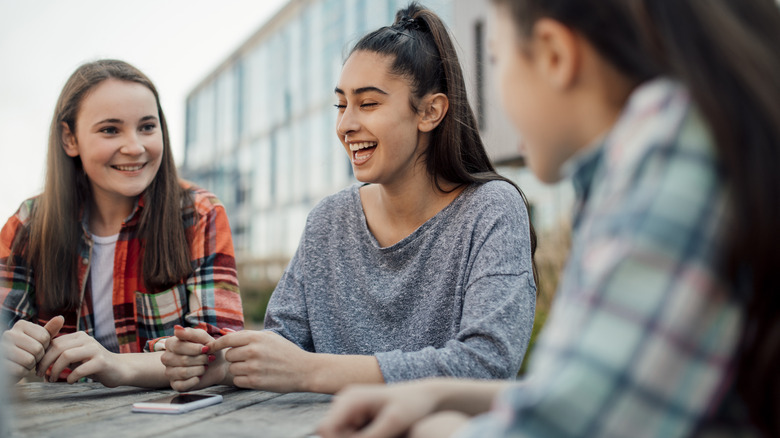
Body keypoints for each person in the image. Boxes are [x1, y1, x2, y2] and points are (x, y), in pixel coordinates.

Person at [316, 0, 780, 436]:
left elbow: (570, 427)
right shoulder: (659, 153)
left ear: (555, 55)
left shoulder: (670, 155)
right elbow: (588, 389)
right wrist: (436, 393)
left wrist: (444, 429)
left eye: (496, 59)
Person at [161, 3, 537, 395]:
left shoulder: (492, 208)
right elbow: (283, 346)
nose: (346, 125)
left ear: (430, 111)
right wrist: (222, 362)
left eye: (368, 103)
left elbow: (485, 365)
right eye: (341, 105)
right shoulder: (329, 219)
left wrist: (311, 372)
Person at [0, 59, 244, 388]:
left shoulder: (200, 214)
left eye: (147, 127)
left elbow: (223, 353)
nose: (134, 147)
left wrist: (118, 365)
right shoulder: (28, 225)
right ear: (69, 139)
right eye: (110, 130)